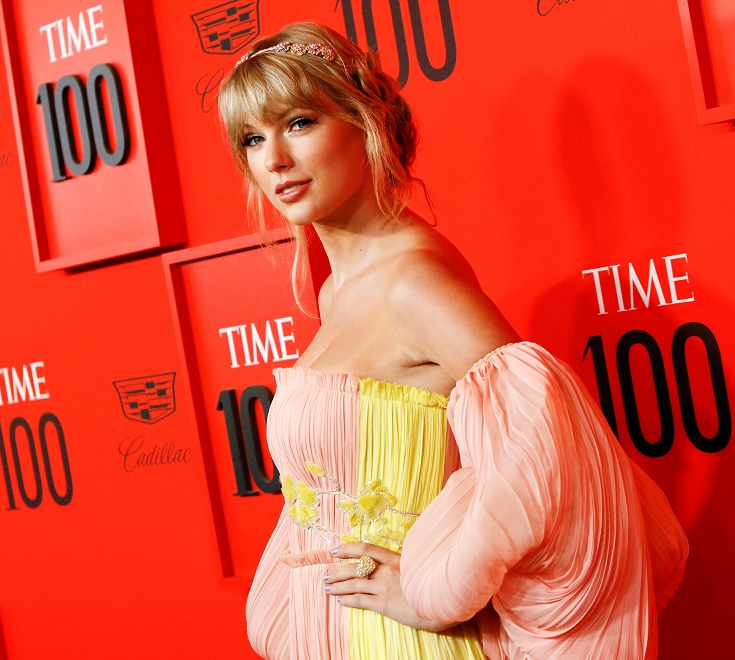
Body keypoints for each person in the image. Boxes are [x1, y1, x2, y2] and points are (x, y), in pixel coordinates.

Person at [217, 22, 688, 660]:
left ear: (366, 122)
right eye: (252, 137)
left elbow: (555, 456)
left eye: (299, 122)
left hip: (410, 642)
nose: (273, 159)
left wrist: (433, 593)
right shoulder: (336, 292)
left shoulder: (415, 284)